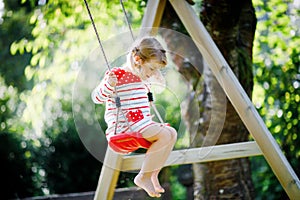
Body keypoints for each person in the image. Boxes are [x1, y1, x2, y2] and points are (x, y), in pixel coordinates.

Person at [91, 37, 177, 197]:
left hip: (142, 124)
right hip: (126, 126)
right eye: (152, 69)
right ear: (137, 60)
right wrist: (108, 85)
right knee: (165, 135)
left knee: (172, 134)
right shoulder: (117, 75)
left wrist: (159, 79)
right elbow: (96, 97)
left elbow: (159, 88)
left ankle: (152, 174)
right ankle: (143, 176)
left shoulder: (144, 77)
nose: (153, 73)